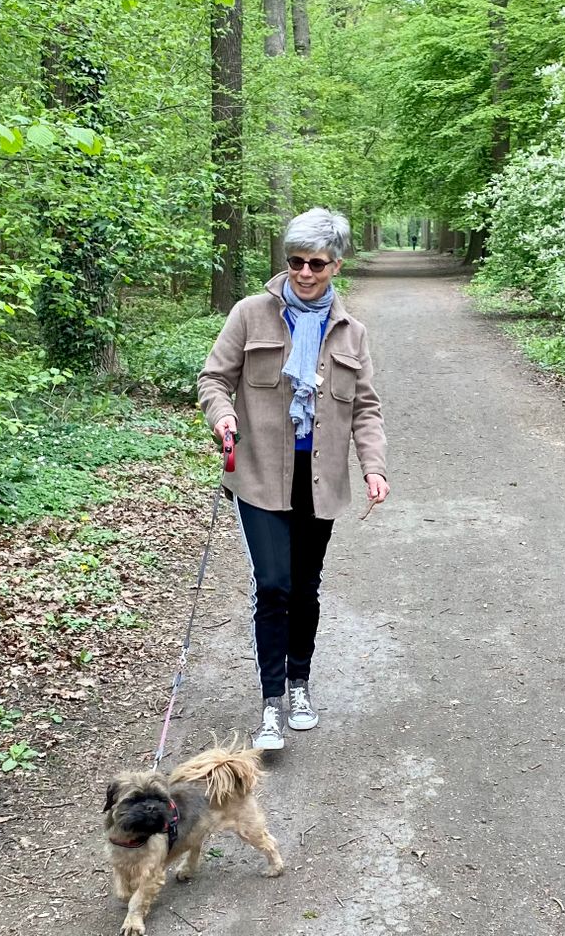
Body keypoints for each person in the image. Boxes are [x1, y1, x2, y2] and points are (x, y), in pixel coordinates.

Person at [197, 208, 389, 750]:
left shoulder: (351, 332)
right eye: (296, 261)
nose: (304, 272)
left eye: (316, 264)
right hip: (259, 474)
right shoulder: (249, 314)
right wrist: (222, 416)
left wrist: (373, 466)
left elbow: (366, 409)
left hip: (319, 479)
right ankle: (270, 701)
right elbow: (213, 379)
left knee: (305, 587)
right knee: (274, 584)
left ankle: (299, 684)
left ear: (336, 265)